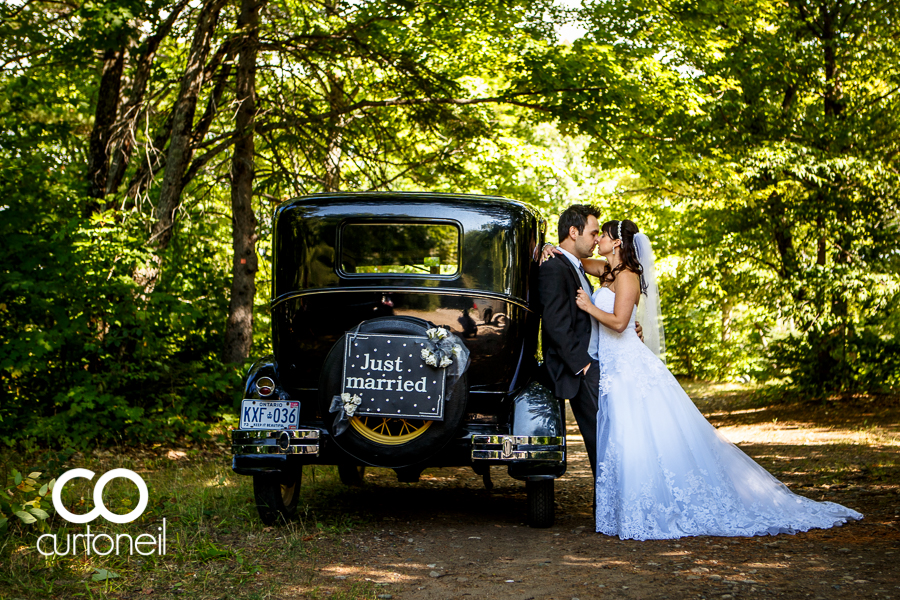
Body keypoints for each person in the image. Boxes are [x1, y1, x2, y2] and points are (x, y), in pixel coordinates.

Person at [555, 218, 862, 539]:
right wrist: (551, 248)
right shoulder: (606, 270)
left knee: (641, 434)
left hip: (631, 366)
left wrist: (589, 306)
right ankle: (630, 508)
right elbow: (575, 259)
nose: (598, 240)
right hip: (614, 368)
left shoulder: (629, 276)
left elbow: (619, 323)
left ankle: (655, 507)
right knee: (625, 437)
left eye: (602, 236)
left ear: (616, 243)